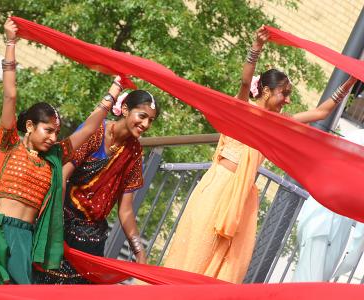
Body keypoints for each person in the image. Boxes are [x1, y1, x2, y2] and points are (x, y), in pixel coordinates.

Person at [163, 26, 357, 283]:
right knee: (197, 252)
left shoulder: (278, 123)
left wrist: (351, 81)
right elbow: (245, 81)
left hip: (242, 200)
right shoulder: (242, 108)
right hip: (218, 187)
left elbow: (321, 113)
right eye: (284, 93)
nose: (288, 100)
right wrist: (256, 47)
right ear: (266, 91)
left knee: (225, 266)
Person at [0, 18, 127, 284]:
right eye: (48, 130)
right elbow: (10, 95)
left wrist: (116, 86)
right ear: (29, 126)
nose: (53, 138)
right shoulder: (10, 144)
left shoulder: (54, 157)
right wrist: (10, 42)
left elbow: (87, 129)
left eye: (56, 133)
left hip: (25, 239)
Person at [34, 88, 159, 284]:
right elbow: (62, 176)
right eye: (142, 116)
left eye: (151, 120)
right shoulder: (96, 132)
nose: (145, 124)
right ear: (125, 110)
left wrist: (139, 250)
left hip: (92, 239)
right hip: (62, 223)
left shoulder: (134, 153)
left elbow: (125, 210)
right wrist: (55, 224)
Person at [293, 129, 364, 282]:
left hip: (333, 220)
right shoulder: (357, 138)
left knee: (310, 282)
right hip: (324, 220)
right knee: (308, 284)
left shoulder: (355, 136)